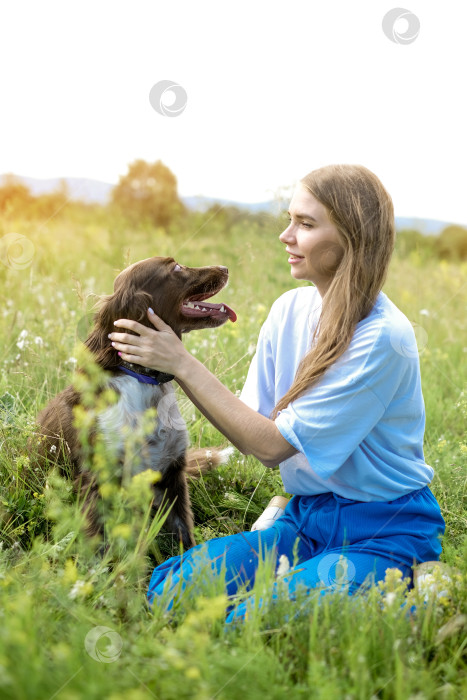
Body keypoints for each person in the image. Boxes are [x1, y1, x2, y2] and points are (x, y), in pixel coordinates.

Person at [108, 164, 445, 623]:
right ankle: (292, 548)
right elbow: (247, 423)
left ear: (351, 238)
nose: (286, 235)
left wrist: (181, 363)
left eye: (305, 224)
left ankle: (424, 597)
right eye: (290, 219)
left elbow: (268, 446)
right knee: (172, 592)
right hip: (306, 519)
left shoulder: (384, 337)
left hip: (383, 527)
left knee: (252, 624)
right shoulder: (289, 310)